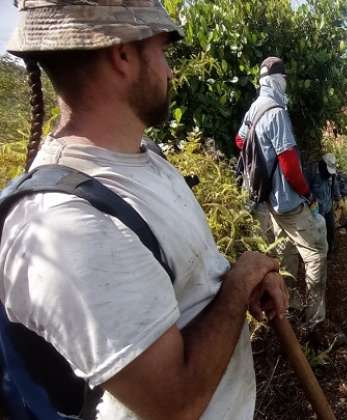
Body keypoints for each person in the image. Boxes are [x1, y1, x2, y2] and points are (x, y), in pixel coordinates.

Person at [0, 1, 288, 419]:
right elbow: (174, 404)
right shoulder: (66, 224)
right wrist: (239, 282)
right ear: (123, 55)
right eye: (163, 52)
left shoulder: (142, 157)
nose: (170, 70)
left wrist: (242, 280)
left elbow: (192, 283)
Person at [235, 57, 328, 330]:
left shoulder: (254, 109)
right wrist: (307, 194)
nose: (285, 85)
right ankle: (315, 320)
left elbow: (239, 141)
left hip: (267, 199)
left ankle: (289, 306)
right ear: (277, 81)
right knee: (316, 253)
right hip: (287, 200)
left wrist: (261, 158)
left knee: (285, 250)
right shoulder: (276, 113)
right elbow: (289, 164)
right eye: (284, 80)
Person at [305, 153, 341, 255]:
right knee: (318, 234)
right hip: (316, 211)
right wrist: (310, 201)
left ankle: (330, 252)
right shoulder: (311, 172)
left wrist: (338, 198)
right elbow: (305, 189)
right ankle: (318, 254)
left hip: (328, 207)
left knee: (331, 229)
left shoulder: (332, 174)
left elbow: (335, 186)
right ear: (322, 164)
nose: (329, 173)